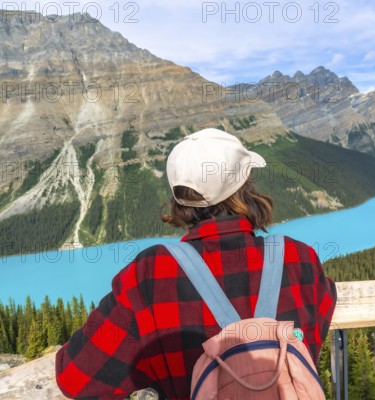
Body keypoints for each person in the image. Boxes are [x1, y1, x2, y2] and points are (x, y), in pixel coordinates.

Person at [55, 128, 337, 399]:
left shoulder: (151, 274)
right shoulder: (297, 257)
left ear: (180, 199)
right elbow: (316, 323)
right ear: (246, 186)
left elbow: (75, 378)